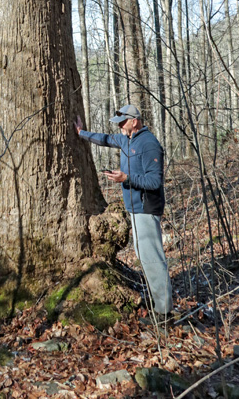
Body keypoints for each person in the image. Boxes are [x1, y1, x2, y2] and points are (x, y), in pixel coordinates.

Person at [74, 104, 173, 325]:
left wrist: (125, 178)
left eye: (122, 122)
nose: (118, 126)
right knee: (145, 258)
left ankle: (164, 315)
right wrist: (82, 134)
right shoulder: (126, 139)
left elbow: (155, 181)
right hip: (135, 209)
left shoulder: (148, 144)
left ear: (134, 121)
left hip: (147, 209)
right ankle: (159, 304)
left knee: (153, 260)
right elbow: (106, 139)